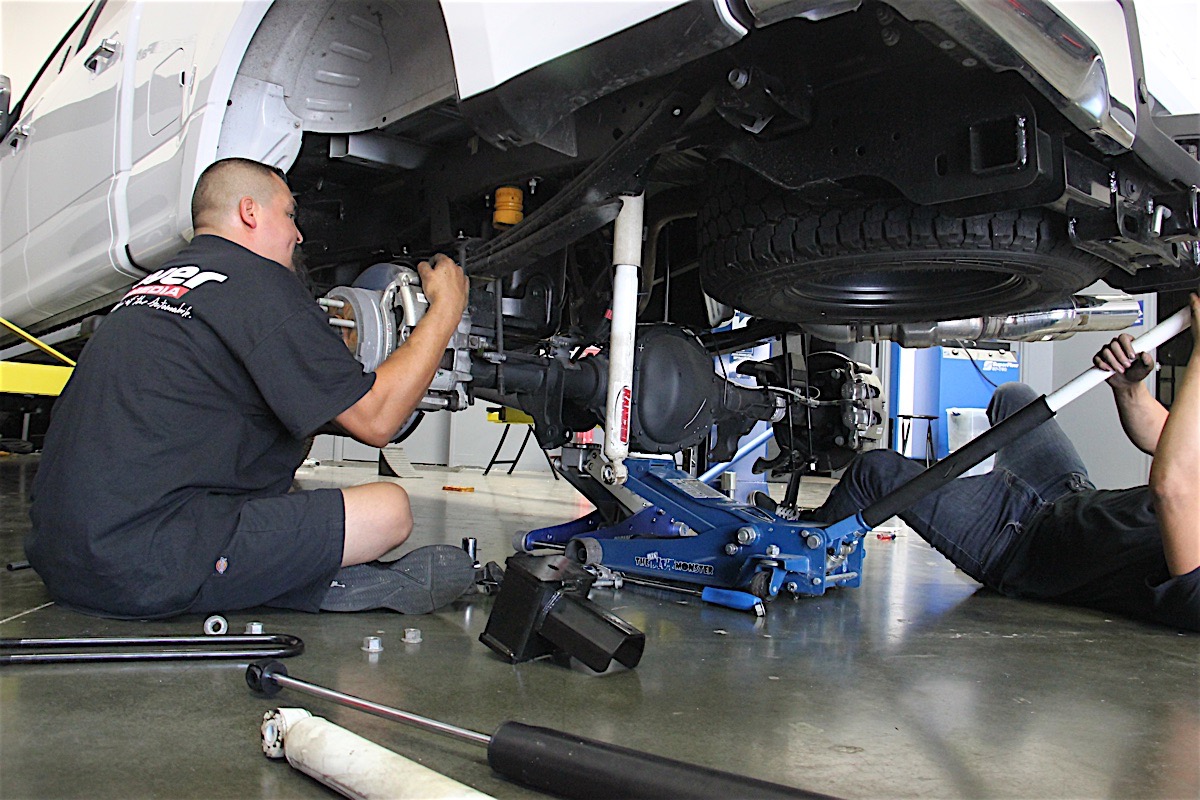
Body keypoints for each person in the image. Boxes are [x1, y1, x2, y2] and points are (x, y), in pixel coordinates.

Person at [27, 158, 476, 619]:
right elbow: (379, 419)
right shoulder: (261, 283)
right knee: (389, 509)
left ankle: (273, 570)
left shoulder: (152, 289)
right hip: (140, 566)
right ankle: (305, 581)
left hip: (64, 558)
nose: (298, 236)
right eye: (289, 216)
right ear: (249, 212)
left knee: (290, 462)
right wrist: (445, 308)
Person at [808, 294, 1200, 631]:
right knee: (1016, 397)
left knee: (874, 471)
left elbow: (1173, 485)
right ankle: (983, 492)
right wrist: (1129, 388)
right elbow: (1166, 440)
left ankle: (805, 557)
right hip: (1066, 495)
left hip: (1018, 545)